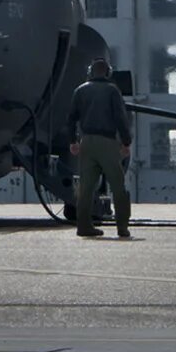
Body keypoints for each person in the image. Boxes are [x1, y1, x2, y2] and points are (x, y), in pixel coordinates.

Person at [65, 57, 132, 239]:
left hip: (86, 142)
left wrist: (73, 141)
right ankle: (122, 228)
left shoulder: (80, 90)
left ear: (90, 72)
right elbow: (120, 118)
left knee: (86, 188)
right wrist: (126, 142)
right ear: (108, 73)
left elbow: (71, 119)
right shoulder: (112, 91)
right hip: (107, 142)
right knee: (118, 186)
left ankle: (84, 226)